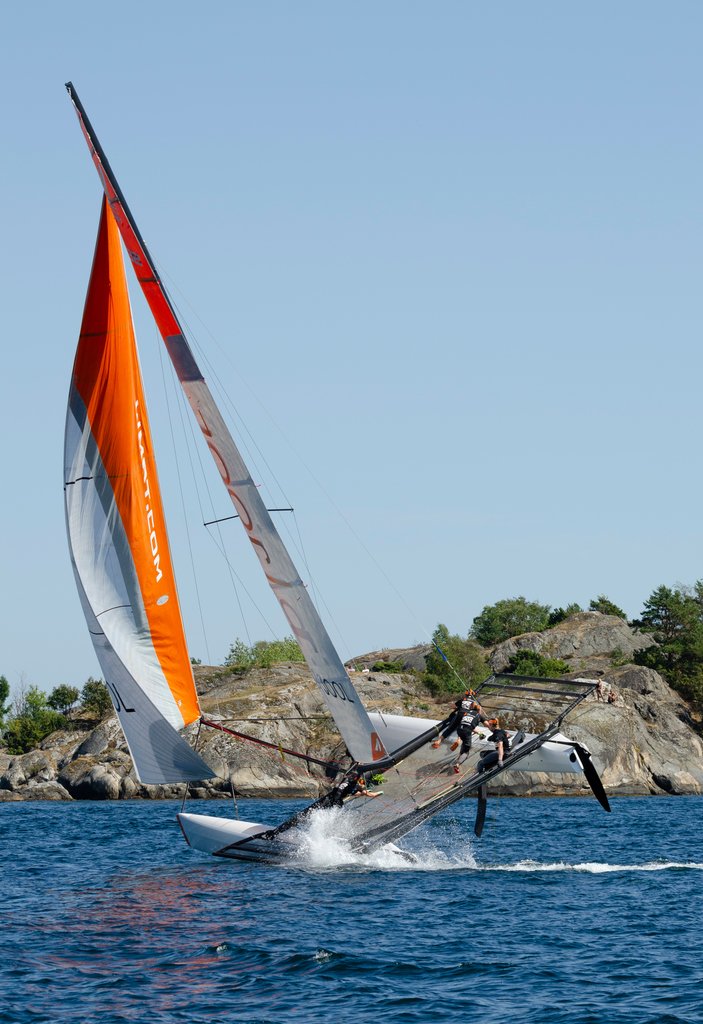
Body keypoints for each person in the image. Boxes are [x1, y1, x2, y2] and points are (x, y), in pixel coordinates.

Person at [449, 700, 488, 773]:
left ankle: (459, 755)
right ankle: (457, 764)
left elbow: (468, 725)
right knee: (466, 752)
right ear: (479, 709)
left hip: (459, 730)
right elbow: (488, 725)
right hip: (466, 732)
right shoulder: (479, 715)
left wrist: (479, 733)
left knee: (464, 744)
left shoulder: (466, 713)